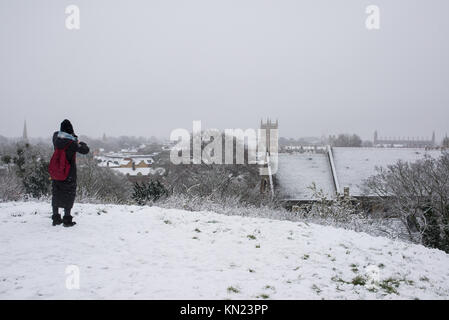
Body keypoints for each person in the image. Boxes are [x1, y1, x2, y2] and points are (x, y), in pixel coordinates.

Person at [51, 119, 89, 227]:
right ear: (71, 130)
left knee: (56, 193)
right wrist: (81, 142)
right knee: (69, 194)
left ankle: (56, 218)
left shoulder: (56, 139)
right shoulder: (72, 143)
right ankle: (67, 219)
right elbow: (85, 150)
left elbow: (56, 134)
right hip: (69, 173)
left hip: (56, 172)